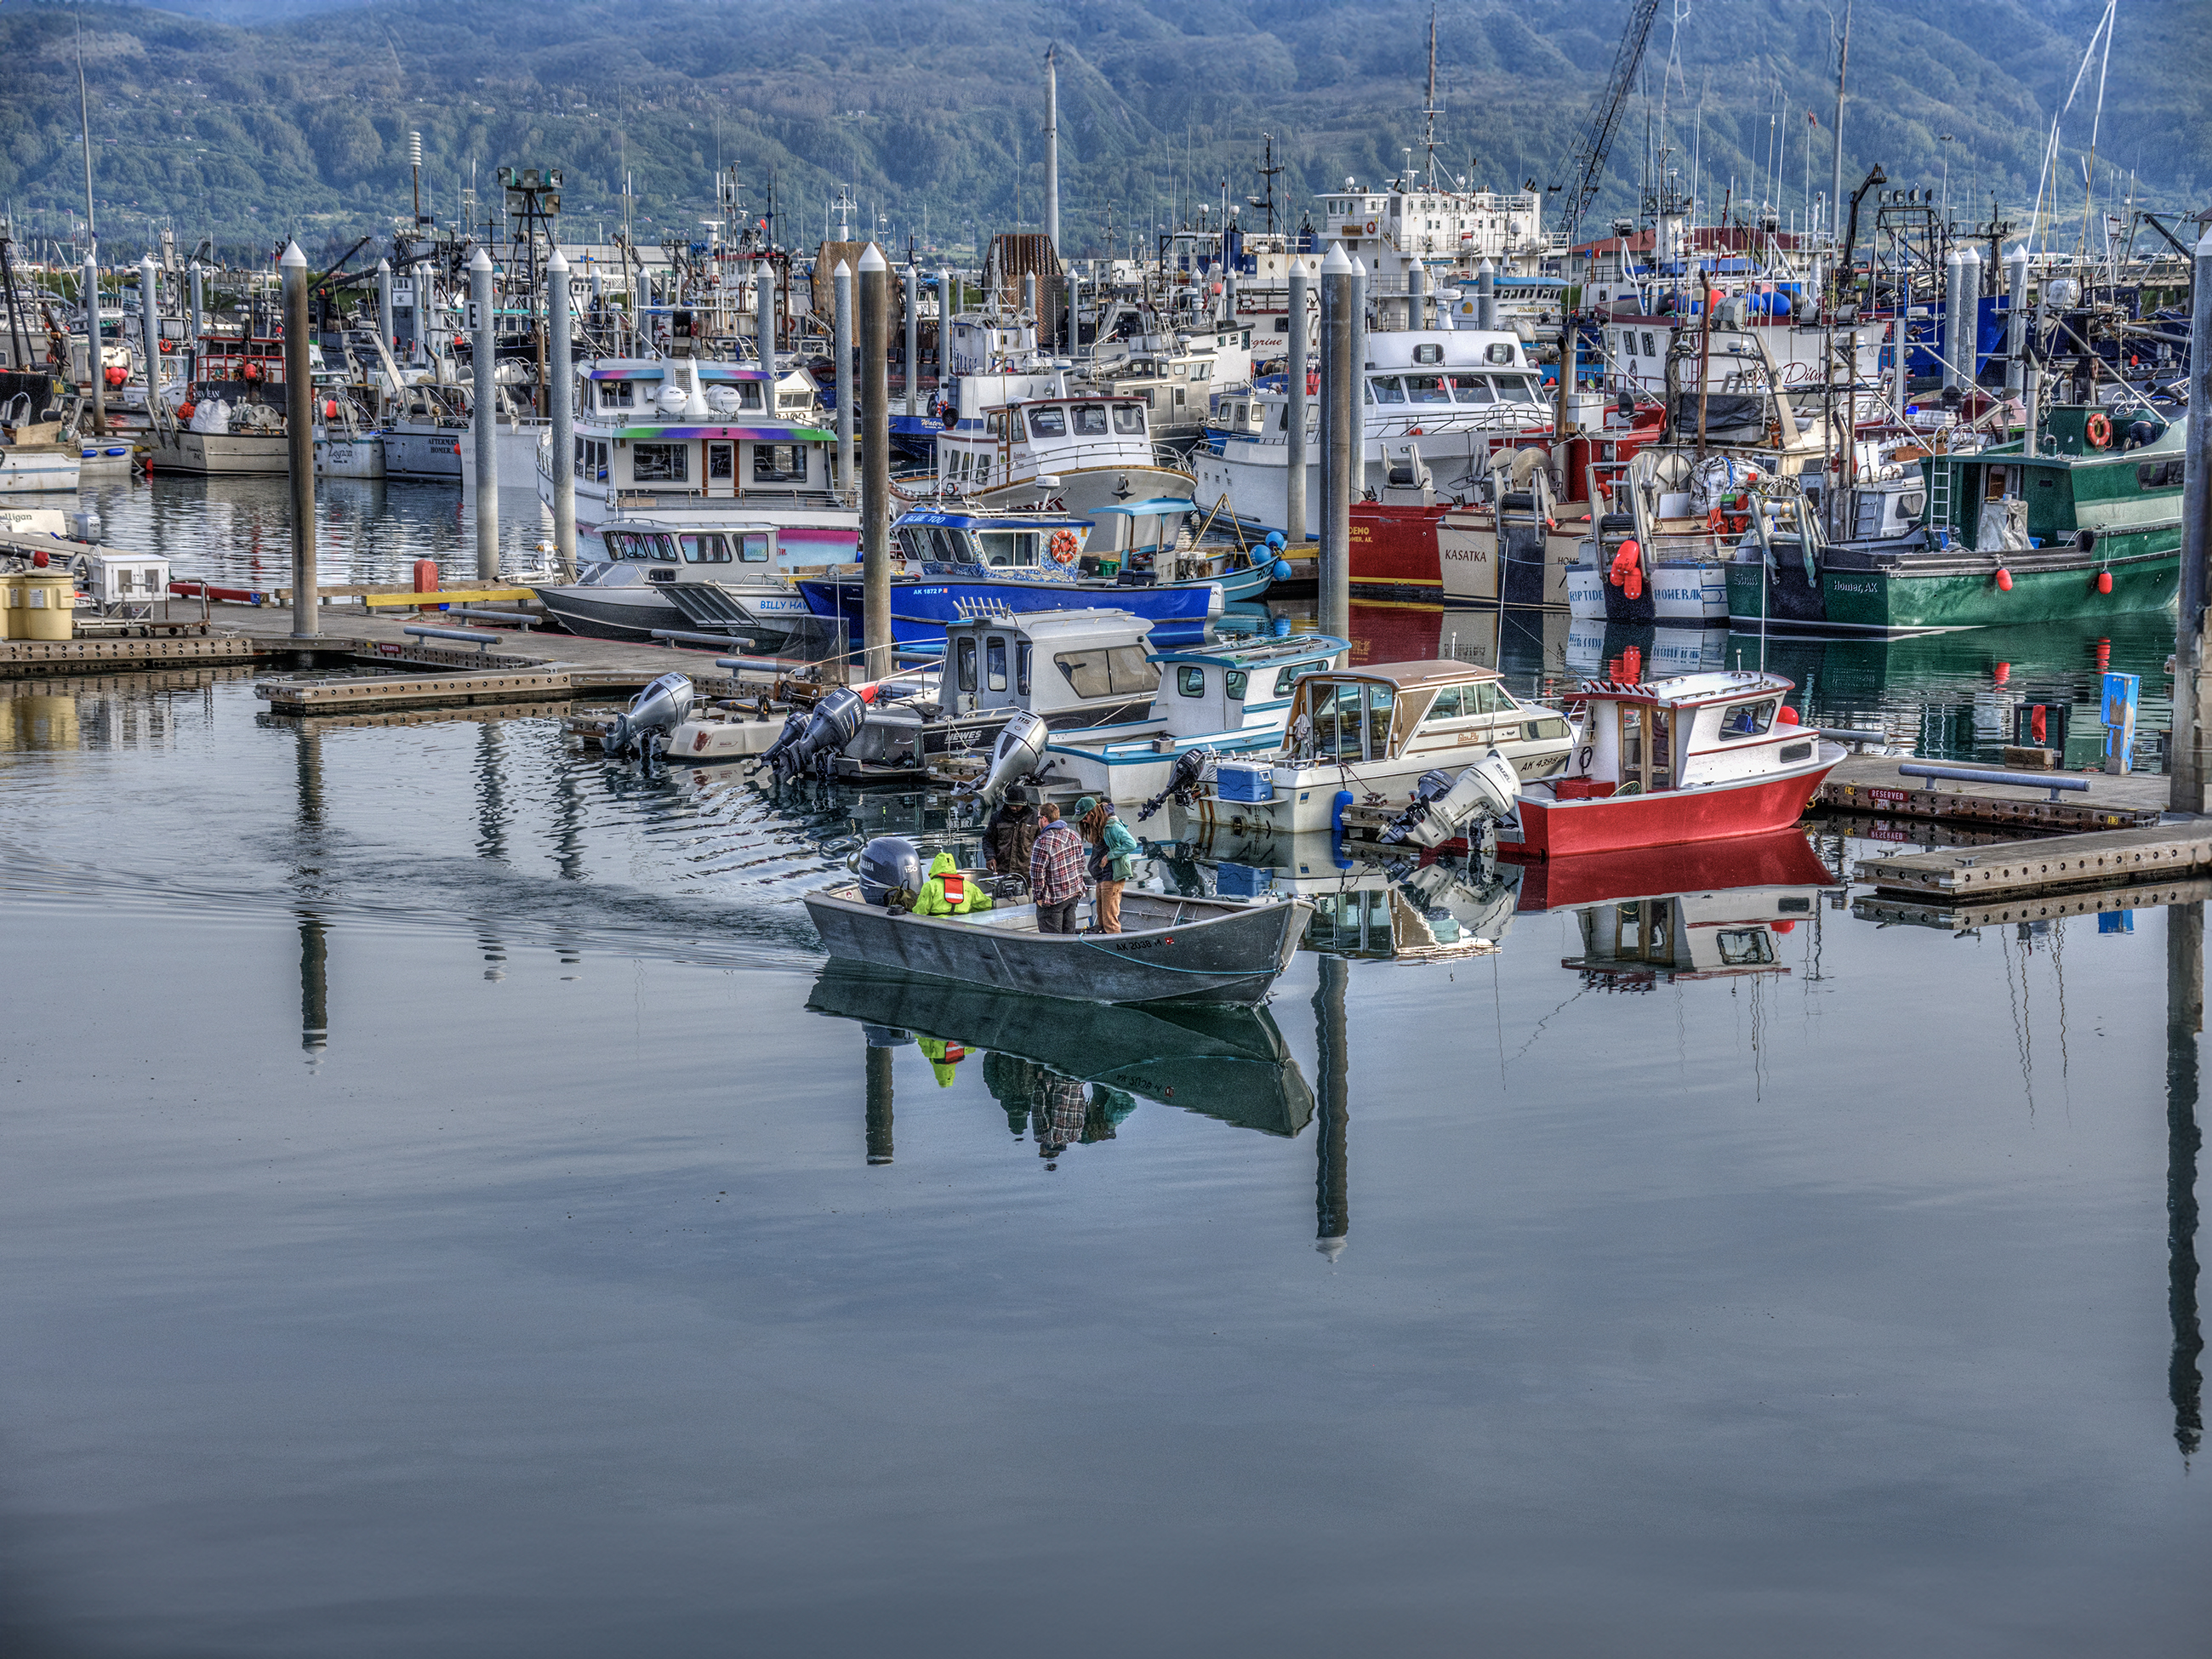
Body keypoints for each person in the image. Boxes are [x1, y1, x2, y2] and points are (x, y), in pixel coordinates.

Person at [1076, 795, 1140, 934]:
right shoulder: (1099, 826)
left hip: (1112, 877)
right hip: (1102, 878)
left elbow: (1131, 843)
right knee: (1102, 923)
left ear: (1092, 813)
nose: (1083, 821)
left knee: (1110, 921)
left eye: (1085, 817)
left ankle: (1117, 951)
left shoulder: (1112, 826)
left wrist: (1110, 855)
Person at [1027, 799, 1086, 935]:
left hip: (1052, 900)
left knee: (1051, 941)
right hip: (1072, 895)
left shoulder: (1042, 841)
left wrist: (1038, 896)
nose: (1038, 821)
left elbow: (1036, 873)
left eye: (1039, 817)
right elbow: (1081, 864)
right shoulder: (1074, 835)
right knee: (1068, 937)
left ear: (1044, 819)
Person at [913, 850, 995, 917]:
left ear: (935, 867)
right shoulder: (968, 886)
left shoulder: (931, 886)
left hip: (938, 926)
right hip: (964, 926)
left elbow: (920, 912)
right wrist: (969, 912)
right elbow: (987, 905)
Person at [982, 784, 1039, 878]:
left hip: (1027, 873)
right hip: (1002, 871)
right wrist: (990, 857)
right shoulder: (997, 817)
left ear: (1024, 804)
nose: (1013, 808)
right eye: (1010, 805)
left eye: (1017, 806)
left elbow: (1042, 844)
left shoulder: (1035, 818)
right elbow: (988, 839)